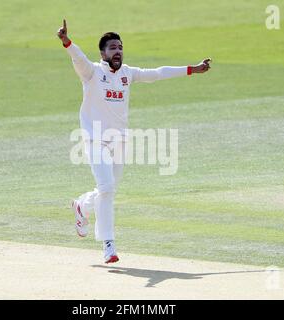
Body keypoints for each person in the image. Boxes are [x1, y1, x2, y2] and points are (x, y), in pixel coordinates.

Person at [57, 19, 211, 263]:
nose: (117, 51)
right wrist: (67, 42)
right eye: (112, 48)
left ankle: (82, 207)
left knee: (107, 191)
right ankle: (108, 244)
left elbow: (158, 73)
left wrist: (192, 69)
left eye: (119, 47)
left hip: (120, 142)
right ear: (102, 53)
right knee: (107, 189)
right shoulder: (92, 73)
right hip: (96, 141)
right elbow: (79, 60)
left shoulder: (128, 73)